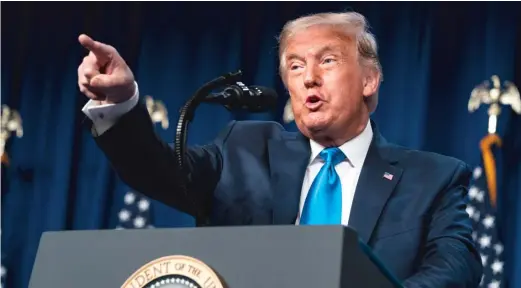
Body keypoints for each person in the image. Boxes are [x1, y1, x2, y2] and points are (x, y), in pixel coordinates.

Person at [77, 11, 482, 287]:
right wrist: (121, 103)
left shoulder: (433, 178)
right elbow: (158, 171)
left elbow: (455, 268)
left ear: (369, 80)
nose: (309, 78)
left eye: (327, 60)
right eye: (295, 65)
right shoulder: (245, 149)